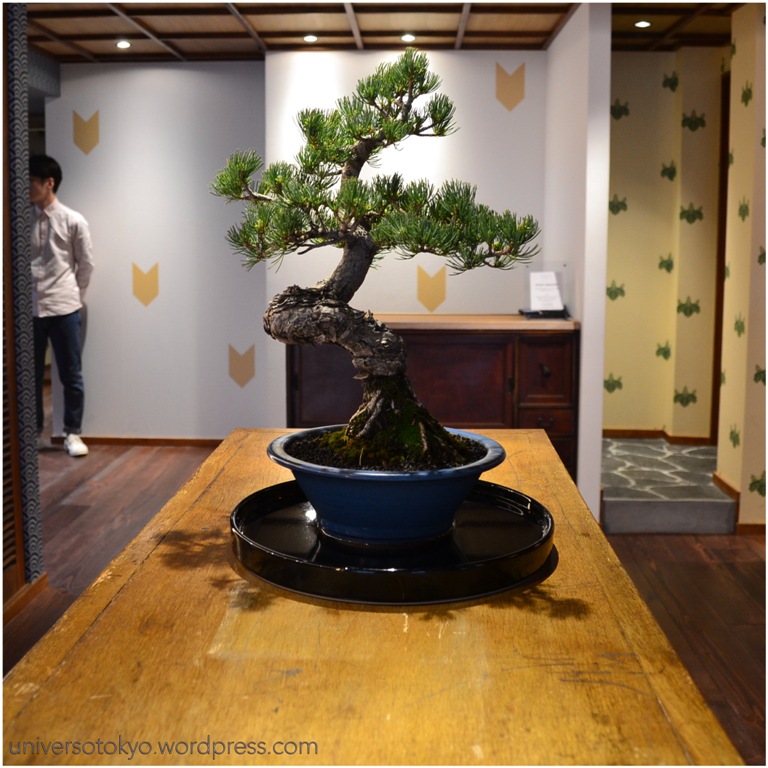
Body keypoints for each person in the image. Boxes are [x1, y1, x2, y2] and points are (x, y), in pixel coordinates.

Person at [29, 154, 94, 457]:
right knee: (27, 377)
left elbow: (86, 264)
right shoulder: (21, 220)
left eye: (31, 182)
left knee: (71, 373)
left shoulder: (72, 220)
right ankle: (35, 434)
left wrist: (75, 296)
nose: (27, 188)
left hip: (65, 307)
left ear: (48, 183)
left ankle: (72, 433)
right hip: (29, 309)